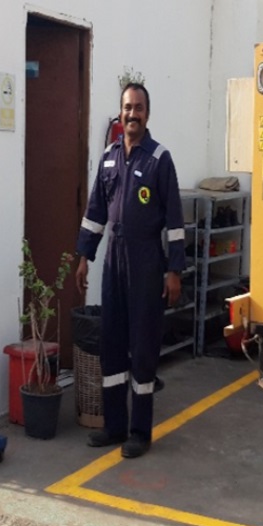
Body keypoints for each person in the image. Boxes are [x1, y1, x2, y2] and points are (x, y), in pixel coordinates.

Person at [75, 83, 185, 459]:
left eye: (138, 107)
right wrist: (84, 256)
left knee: (142, 346)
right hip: (113, 260)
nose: (132, 114)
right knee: (112, 342)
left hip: (146, 261)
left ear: (147, 114)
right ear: (120, 113)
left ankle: (139, 431)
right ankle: (114, 426)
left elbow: (175, 221)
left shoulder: (159, 159)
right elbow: (95, 212)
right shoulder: (108, 158)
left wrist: (174, 270)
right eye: (127, 107)